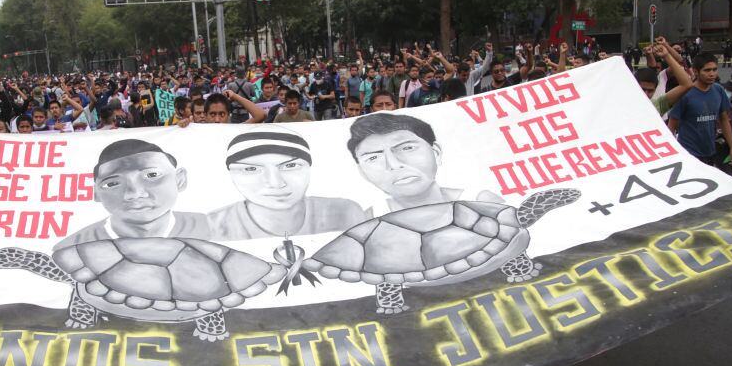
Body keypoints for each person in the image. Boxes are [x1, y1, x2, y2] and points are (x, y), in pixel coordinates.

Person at [210, 129, 367, 240]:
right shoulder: (213, 227)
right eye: (251, 169)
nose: (276, 183)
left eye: (290, 166)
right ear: (230, 173)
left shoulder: (345, 214)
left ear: (309, 167)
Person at [55, 139, 211, 248]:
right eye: (112, 183)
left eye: (152, 175)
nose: (135, 193)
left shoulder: (210, 229)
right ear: (95, 193)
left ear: (180, 180)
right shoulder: (73, 248)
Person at [347, 112, 464, 215]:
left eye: (407, 148)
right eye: (373, 157)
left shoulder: (476, 200)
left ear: (436, 152)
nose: (393, 164)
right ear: (362, 172)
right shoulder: (362, 225)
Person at [668, 53, 732, 167]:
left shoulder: (719, 90)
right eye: (707, 70)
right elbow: (672, 126)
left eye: (714, 69)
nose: (712, 74)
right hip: (689, 153)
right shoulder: (685, 94)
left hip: (711, 151)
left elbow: (724, 119)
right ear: (696, 71)